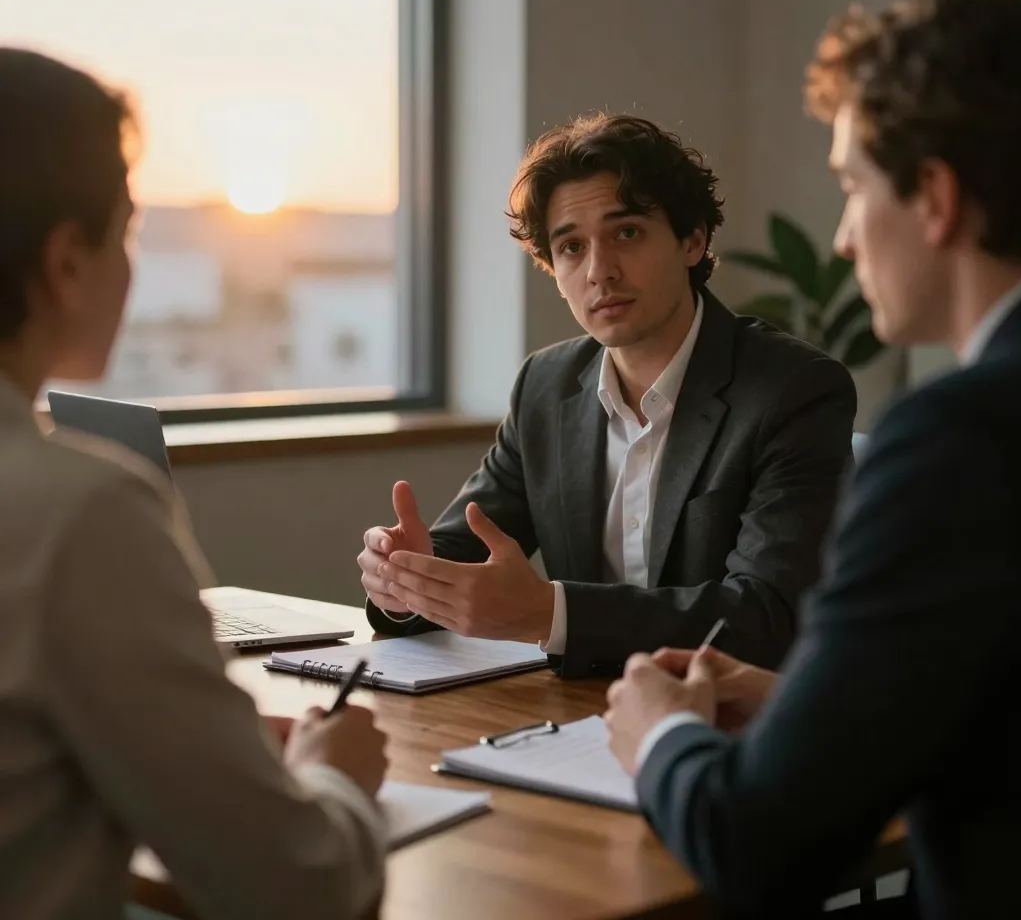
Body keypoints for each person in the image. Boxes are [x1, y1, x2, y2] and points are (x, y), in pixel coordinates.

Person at [604, 0, 1021, 918]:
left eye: (852, 187)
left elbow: (759, 846)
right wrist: (813, 696)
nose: (840, 239)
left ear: (937, 198)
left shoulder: (960, 441)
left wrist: (660, 737)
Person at [0, 47, 388, 919]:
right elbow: (299, 886)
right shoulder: (80, 511)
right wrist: (338, 779)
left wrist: (203, 744)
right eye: (128, 231)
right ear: (66, 263)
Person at [359, 113, 856, 678]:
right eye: (571, 247)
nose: (600, 271)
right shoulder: (544, 387)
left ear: (692, 241)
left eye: (627, 233)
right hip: (577, 718)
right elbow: (463, 553)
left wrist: (551, 613)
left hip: (728, 724)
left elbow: (766, 617)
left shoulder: (792, 390)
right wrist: (404, 581)